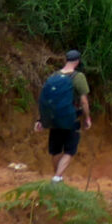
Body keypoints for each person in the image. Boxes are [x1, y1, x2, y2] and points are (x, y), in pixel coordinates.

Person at [35, 49, 93, 181]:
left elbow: (46, 100)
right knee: (70, 150)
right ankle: (57, 178)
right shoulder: (78, 77)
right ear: (77, 61)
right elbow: (84, 101)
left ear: (66, 60)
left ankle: (57, 178)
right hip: (70, 118)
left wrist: (41, 119)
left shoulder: (54, 76)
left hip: (54, 119)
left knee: (56, 150)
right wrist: (87, 118)